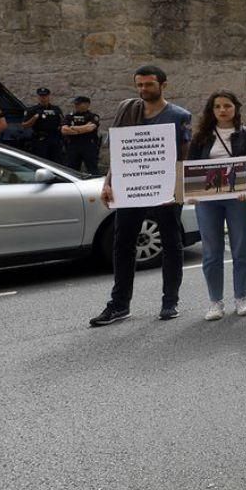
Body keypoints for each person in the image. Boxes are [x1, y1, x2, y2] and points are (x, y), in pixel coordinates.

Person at [89, 65, 192, 327]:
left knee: (171, 244)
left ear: (163, 85)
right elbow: (121, 155)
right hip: (131, 189)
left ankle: (170, 302)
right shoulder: (128, 111)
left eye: (148, 85)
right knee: (122, 244)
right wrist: (108, 183)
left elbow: (184, 156)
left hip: (166, 190)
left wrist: (179, 190)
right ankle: (119, 305)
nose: (143, 90)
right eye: (139, 85)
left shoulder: (179, 115)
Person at [185, 91, 246, 320]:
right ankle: (215, 302)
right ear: (212, 110)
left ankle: (241, 298)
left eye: (227, 105)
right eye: (217, 106)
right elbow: (191, 166)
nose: (222, 110)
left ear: (235, 108)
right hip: (208, 201)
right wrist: (191, 191)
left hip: (239, 200)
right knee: (211, 252)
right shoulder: (201, 137)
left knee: (240, 248)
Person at [21, 87, 65, 164]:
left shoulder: (56, 109)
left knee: (56, 162)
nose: (43, 98)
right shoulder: (32, 110)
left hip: (54, 138)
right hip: (40, 139)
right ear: (38, 97)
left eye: (45, 96)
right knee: (41, 162)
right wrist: (35, 117)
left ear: (49, 96)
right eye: (41, 96)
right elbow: (24, 125)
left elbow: (62, 122)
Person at [60, 96, 101, 174]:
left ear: (87, 104)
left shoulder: (92, 116)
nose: (76, 106)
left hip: (88, 145)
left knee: (92, 169)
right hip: (73, 145)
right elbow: (64, 130)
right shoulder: (70, 116)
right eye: (75, 104)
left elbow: (90, 128)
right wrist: (83, 128)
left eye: (79, 104)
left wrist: (72, 128)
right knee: (71, 170)